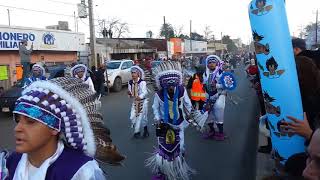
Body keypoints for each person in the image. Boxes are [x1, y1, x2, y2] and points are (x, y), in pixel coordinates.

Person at [2, 77, 125, 180]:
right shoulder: (10, 162)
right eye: (18, 120)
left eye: (30, 121)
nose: (17, 129)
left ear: (54, 128)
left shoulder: (80, 170)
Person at [146, 61, 195, 180]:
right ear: (164, 85)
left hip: (179, 123)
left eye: (174, 86)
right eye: (169, 86)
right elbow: (155, 108)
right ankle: (162, 171)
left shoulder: (182, 91)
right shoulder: (159, 95)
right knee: (162, 149)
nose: (172, 88)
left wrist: (190, 115)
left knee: (180, 146)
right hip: (164, 124)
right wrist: (157, 118)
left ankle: (179, 166)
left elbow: (188, 104)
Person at [202, 55, 227, 141]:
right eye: (209, 63)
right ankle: (212, 131)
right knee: (208, 113)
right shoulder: (205, 73)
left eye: (213, 62)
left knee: (218, 110)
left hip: (219, 95)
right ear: (207, 64)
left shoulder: (221, 73)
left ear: (216, 63)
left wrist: (216, 85)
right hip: (208, 95)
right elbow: (204, 84)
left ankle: (221, 132)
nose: (211, 64)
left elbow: (226, 85)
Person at [128, 66, 149, 138]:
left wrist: (140, 96)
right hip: (135, 102)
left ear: (138, 74)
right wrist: (129, 94)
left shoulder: (142, 82)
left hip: (143, 102)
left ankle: (138, 132)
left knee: (141, 117)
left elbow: (145, 92)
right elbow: (130, 93)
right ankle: (139, 131)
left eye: (134, 73)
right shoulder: (130, 82)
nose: (133, 75)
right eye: (132, 73)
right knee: (132, 116)